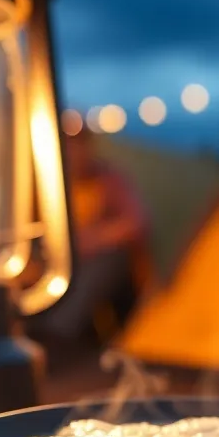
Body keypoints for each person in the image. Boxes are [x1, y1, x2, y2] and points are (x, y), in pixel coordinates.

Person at [43, 126, 154, 345]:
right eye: (68, 145)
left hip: (99, 264)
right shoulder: (50, 183)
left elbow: (137, 222)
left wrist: (93, 239)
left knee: (110, 259)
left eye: (79, 144)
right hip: (58, 260)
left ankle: (58, 329)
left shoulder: (107, 179)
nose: (74, 152)